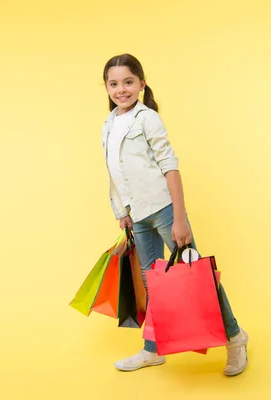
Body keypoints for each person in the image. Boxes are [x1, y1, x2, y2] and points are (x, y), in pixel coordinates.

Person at [100, 53, 248, 376]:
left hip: (165, 210)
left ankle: (235, 339)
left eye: (128, 82)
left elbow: (170, 167)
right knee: (153, 284)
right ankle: (153, 349)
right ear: (106, 87)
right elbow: (114, 172)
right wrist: (122, 211)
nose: (121, 89)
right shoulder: (109, 125)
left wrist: (179, 218)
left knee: (199, 278)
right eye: (114, 83)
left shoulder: (147, 118)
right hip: (137, 216)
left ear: (141, 83)